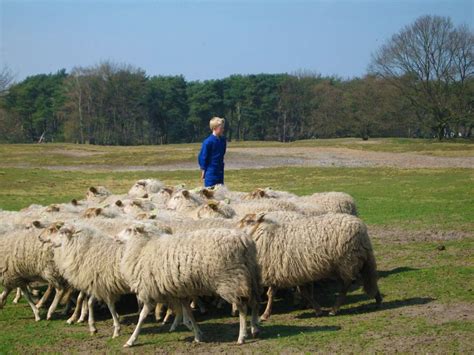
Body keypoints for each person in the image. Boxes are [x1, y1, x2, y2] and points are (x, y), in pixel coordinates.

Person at [198, 117, 226, 187]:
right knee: (210, 192)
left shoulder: (223, 140)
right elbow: (202, 156)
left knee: (220, 192)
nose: (223, 129)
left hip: (220, 170)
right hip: (211, 171)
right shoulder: (208, 142)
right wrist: (203, 170)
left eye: (223, 127)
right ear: (214, 128)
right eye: (221, 128)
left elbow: (222, 153)